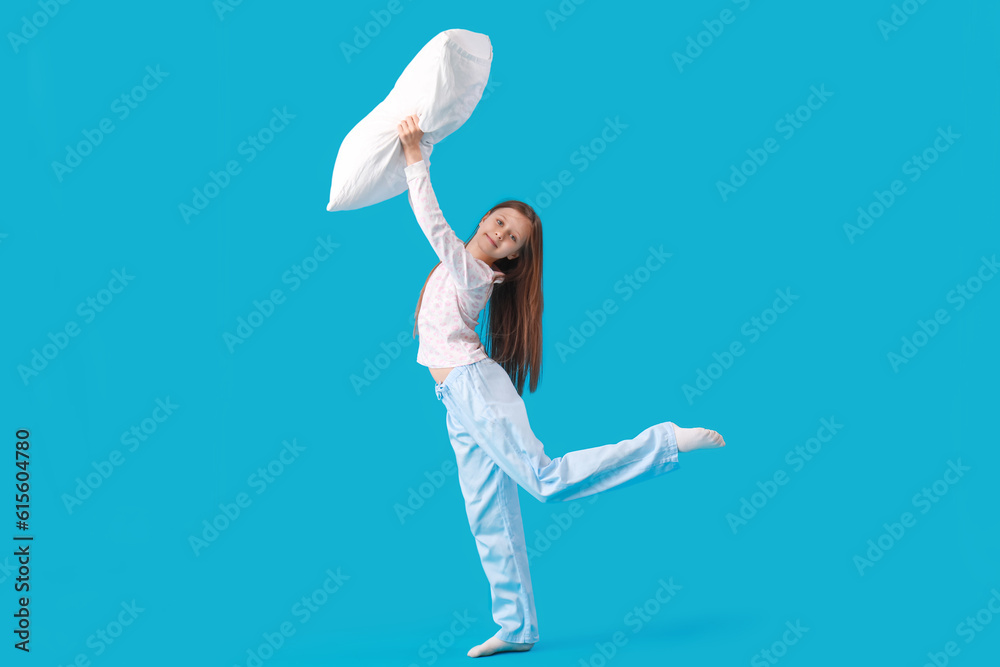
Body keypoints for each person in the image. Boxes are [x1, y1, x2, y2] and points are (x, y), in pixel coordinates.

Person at [397, 114, 726, 659]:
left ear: (510, 259)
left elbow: (432, 222)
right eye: (499, 221)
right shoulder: (461, 261)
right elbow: (443, 237)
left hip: (475, 385)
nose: (500, 232)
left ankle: (665, 441)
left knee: (544, 480)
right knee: (486, 511)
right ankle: (518, 626)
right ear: (485, 220)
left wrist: (416, 160)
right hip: (455, 398)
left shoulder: (476, 272)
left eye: (511, 237)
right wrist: (421, 139)